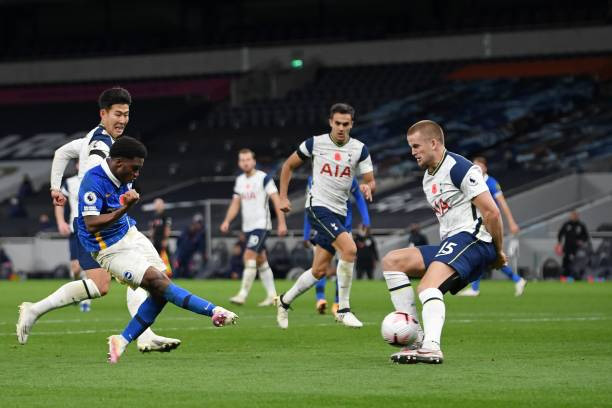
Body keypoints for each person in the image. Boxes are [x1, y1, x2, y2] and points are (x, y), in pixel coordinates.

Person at [23, 137, 238, 364]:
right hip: (108, 248)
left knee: (160, 287)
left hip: (130, 233)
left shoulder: (123, 171)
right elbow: (91, 223)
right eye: (134, 169)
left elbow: (121, 199)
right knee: (158, 283)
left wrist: (124, 206)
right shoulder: (93, 181)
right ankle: (214, 311)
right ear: (118, 163)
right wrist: (124, 207)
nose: (136, 174)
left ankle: (122, 340)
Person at [17, 87, 180, 353]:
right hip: (99, 229)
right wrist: (117, 202)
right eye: (118, 114)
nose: (123, 120)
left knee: (122, 280)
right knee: (134, 277)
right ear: (103, 113)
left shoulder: (95, 137)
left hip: (109, 225)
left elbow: (61, 152)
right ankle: (35, 309)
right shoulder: (100, 147)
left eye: (126, 114)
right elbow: (95, 177)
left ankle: (144, 334)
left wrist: (55, 188)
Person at [382, 120, 506, 364]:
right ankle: (416, 339)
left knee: (428, 287)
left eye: (416, 146)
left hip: (474, 239)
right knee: (392, 261)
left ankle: (431, 347)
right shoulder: (428, 178)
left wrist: (497, 252)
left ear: (433, 143)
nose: (412, 152)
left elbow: (492, 213)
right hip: (452, 242)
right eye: (410, 147)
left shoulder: (459, 168)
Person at [275, 103, 376, 329]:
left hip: (340, 213)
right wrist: (283, 197)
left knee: (319, 271)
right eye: (337, 123)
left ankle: (283, 301)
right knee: (350, 250)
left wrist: (368, 186)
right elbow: (288, 166)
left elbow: (370, 180)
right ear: (331, 122)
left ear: (352, 124)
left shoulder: (360, 149)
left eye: (346, 124)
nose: (341, 128)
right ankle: (343, 309)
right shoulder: (315, 143)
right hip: (318, 207)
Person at [220, 148, 287, 306]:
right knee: (261, 260)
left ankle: (242, 295)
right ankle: (272, 296)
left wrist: (282, 222)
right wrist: (227, 221)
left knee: (248, 256)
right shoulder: (240, 181)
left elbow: (276, 200)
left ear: (254, 161)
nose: (245, 162)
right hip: (248, 227)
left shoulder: (263, 178)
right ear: (239, 162)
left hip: (261, 225)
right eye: (242, 160)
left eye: (248, 159)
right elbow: (235, 204)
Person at [458, 156, 526, 296]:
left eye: (479, 166)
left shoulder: (491, 183)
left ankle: (476, 288)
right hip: (478, 223)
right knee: (489, 256)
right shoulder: (471, 181)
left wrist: (511, 222)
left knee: (486, 254)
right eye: (474, 166)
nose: (476, 169)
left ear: (485, 168)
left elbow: (502, 204)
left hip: (490, 223)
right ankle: (516, 280)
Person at [303, 176, 371, 315]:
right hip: (329, 228)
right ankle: (331, 301)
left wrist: (366, 220)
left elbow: (358, 196)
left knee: (340, 266)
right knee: (324, 267)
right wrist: (366, 220)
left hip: (341, 229)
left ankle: (329, 301)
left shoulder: (346, 174)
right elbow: (309, 205)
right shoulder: (314, 178)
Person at [54, 160, 91, 312]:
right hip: (75, 229)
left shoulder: (96, 180)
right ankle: (76, 293)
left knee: (89, 268)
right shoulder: (70, 183)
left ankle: (86, 301)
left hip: (91, 229)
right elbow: (59, 202)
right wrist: (60, 222)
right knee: (75, 268)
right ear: (76, 166)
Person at [556, 210, 590, 279]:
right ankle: (564, 277)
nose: (574, 216)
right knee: (566, 263)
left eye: (575, 215)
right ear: (570, 216)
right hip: (567, 248)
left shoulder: (581, 225)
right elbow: (560, 234)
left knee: (577, 264)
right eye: (573, 215)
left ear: (578, 216)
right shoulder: (566, 225)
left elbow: (586, 236)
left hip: (578, 249)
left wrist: (581, 241)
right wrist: (559, 243)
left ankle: (577, 278)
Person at [174, 214, 206, 278]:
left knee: (188, 271)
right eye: (196, 223)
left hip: (190, 255)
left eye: (199, 223)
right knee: (176, 268)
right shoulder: (186, 230)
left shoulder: (201, 234)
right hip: (181, 253)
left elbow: (200, 247)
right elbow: (179, 242)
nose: (197, 225)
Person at [148, 198, 172, 274]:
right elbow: (152, 228)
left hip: (162, 239)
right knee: (155, 257)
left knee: (166, 256)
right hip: (155, 240)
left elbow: (167, 228)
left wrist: (165, 239)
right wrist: (151, 238)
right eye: (156, 204)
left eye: (159, 204)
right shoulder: (153, 216)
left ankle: (169, 273)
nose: (157, 206)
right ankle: (158, 273)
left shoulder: (165, 215)